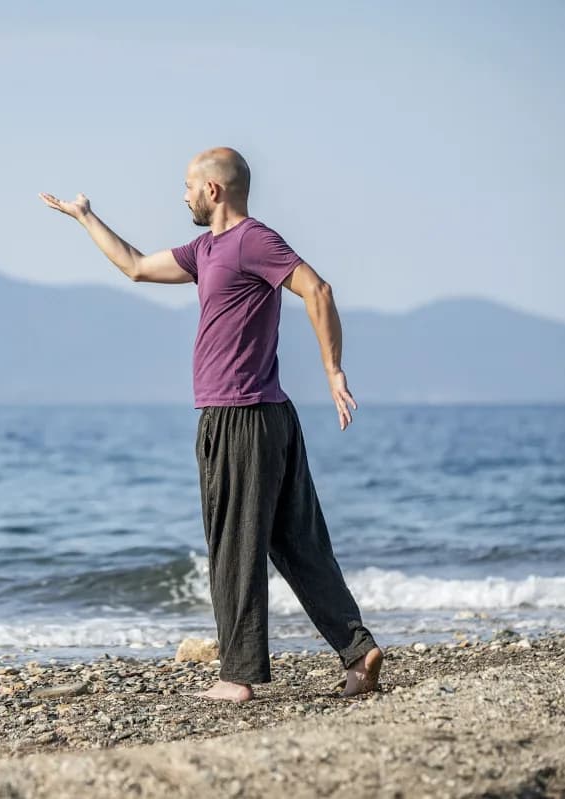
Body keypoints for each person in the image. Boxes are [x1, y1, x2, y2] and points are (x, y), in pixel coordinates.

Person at [39, 146, 383, 703]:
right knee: (297, 543)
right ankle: (356, 649)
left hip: (240, 416)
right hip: (263, 413)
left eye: (187, 186)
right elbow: (135, 266)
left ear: (213, 190)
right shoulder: (206, 249)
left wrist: (333, 370)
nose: (183, 195)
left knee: (233, 544)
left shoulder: (253, 240)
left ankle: (238, 676)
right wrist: (85, 217)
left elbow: (317, 290)